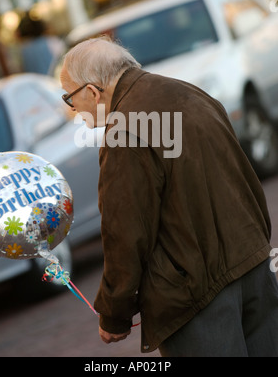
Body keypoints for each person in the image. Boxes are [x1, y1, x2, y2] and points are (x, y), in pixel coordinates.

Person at [60, 37, 278, 357]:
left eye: (70, 98)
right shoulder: (191, 93)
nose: (74, 111)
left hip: (196, 296)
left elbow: (125, 231)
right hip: (253, 263)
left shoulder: (123, 130)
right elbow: (245, 177)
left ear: (92, 91)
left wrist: (114, 313)